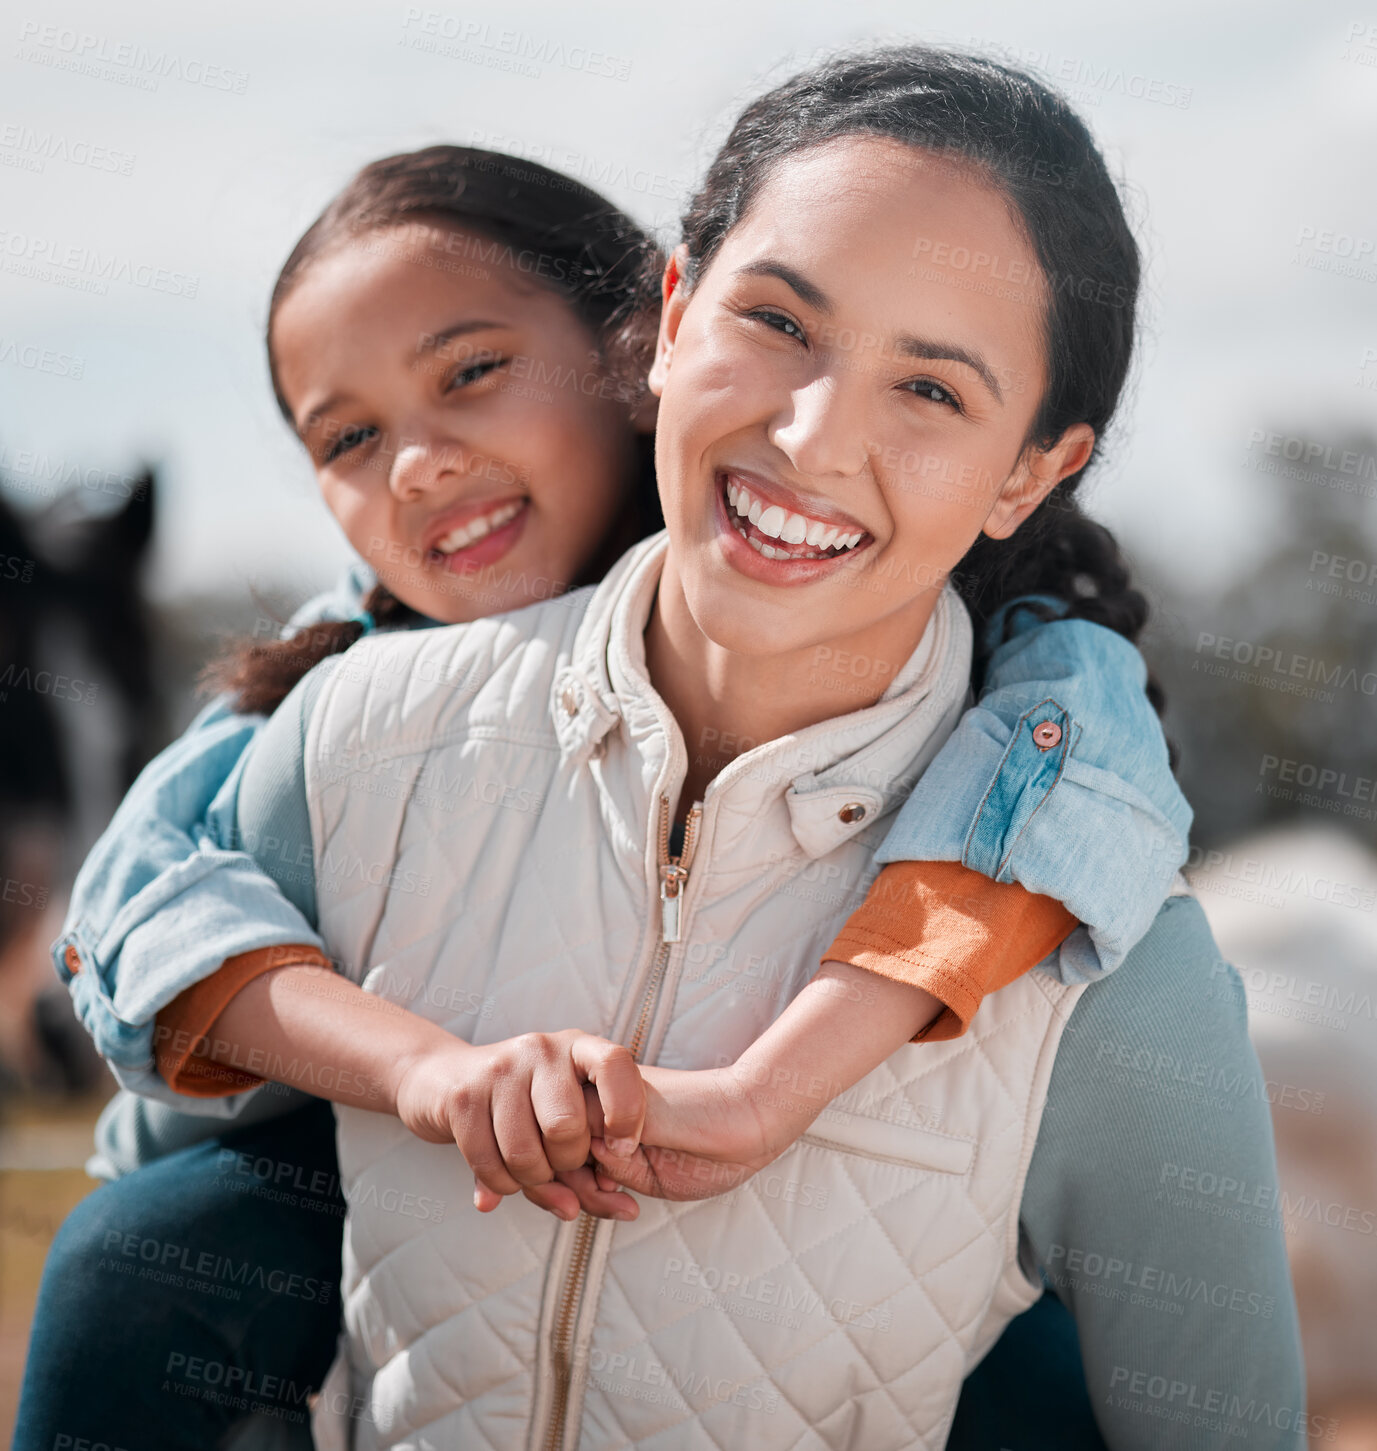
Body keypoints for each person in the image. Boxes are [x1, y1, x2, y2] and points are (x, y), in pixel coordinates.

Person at [38, 47, 1299, 1449]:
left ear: (1032, 470)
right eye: (778, 321)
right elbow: (153, 1140)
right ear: (676, 315)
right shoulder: (342, 734)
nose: (813, 438)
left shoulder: (1089, 905)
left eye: (931, 389)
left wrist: (781, 1087)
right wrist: (411, 1080)